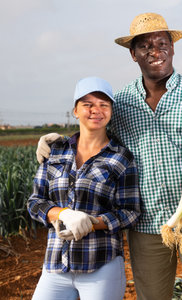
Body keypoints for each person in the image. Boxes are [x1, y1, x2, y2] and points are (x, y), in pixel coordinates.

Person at [36, 13, 182, 300]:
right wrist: (58, 141)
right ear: (133, 54)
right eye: (145, 46)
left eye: (162, 43)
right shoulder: (122, 102)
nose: (155, 52)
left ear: (172, 47)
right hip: (147, 228)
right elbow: (93, 132)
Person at [28, 77, 141, 300]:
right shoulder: (55, 151)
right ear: (75, 111)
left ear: (111, 111)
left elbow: (130, 212)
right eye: (88, 104)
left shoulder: (121, 157)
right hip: (55, 264)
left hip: (101, 264)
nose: (96, 110)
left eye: (103, 105)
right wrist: (63, 214)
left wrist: (92, 223)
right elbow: (35, 202)